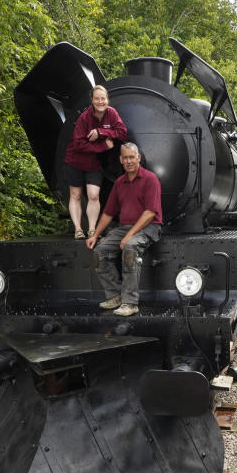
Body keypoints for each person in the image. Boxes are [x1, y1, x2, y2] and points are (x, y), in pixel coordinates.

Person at [85, 143, 162, 317]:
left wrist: (128, 236)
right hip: (125, 227)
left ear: (138, 158)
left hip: (149, 227)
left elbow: (150, 213)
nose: (129, 161)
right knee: (100, 251)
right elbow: (108, 212)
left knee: (130, 249)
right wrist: (95, 235)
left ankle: (130, 303)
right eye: (125, 157)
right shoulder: (119, 183)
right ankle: (115, 296)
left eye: (132, 157)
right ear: (120, 160)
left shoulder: (150, 179)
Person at [64, 85, 128, 239]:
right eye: (97, 98)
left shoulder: (111, 113)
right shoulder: (84, 118)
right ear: (92, 101)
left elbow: (122, 132)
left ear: (107, 100)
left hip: (93, 162)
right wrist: (103, 145)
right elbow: (79, 144)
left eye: (103, 98)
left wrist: (101, 132)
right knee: (76, 194)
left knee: (93, 195)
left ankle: (92, 229)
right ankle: (78, 229)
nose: (100, 101)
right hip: (75, 160)